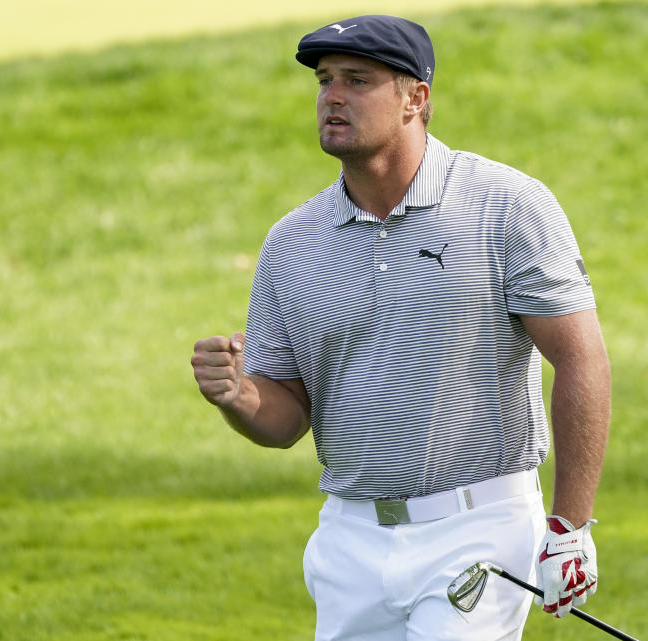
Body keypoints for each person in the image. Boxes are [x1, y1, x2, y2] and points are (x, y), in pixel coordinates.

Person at [190, 14, 612, 641]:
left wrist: (569, 528)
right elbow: (286, 419)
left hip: (479, 529)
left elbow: (580, 360)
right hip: (350, 538)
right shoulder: (291, 243)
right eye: (325, 81)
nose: (332, 96)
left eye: (357, 80)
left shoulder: (506, 205)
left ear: (417, 98)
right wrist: (238, 396)